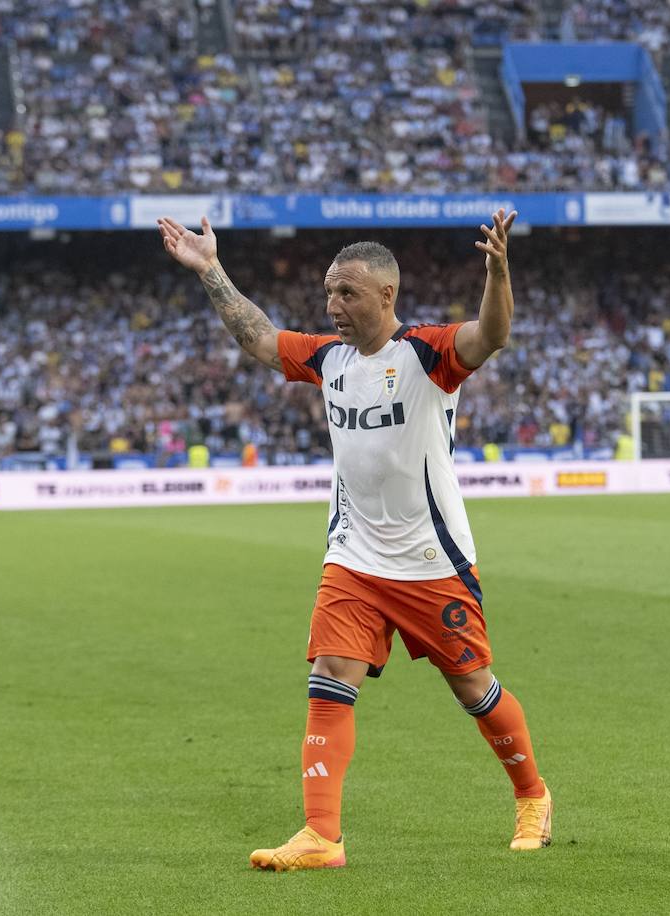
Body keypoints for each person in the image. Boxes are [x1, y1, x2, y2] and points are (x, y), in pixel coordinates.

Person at [157, 210, 552, 870]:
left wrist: (498, 273)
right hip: (354, 557)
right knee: (328, 678)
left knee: (472, 687)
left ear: (386, 296)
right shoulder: (329, 360)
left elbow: (493, 334)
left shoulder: (426, 355)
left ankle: (533, 796)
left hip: (431, 560)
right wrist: (210, 270)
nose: (333, 305)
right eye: (328, 293)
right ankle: (322, 836)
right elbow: (258, 337)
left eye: (346, 293)